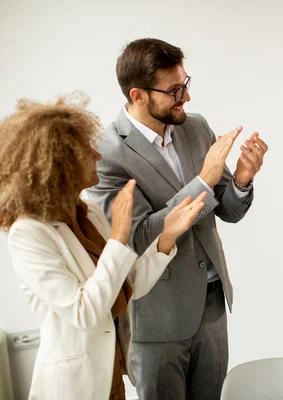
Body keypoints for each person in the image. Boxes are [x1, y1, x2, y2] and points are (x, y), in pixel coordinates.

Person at [85, 38, 268, 400]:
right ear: (138, 95)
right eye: (174, 90)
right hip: (156, 314)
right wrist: (204, 180)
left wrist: (243, 179)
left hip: (212, 302)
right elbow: (137, 238)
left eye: (186, 83)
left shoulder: (196, 127)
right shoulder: (106, 153)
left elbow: (228, 210)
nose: (186, 97)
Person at [0, 96, 206, 400]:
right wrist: (119, 237)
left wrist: (167, 236)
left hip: (112, 376)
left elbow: (127, 283)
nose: (97, 155)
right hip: (75, 387)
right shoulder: (28, 234)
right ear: (60, 165)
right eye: (86, 150)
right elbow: (84, 312)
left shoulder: (88, 212)